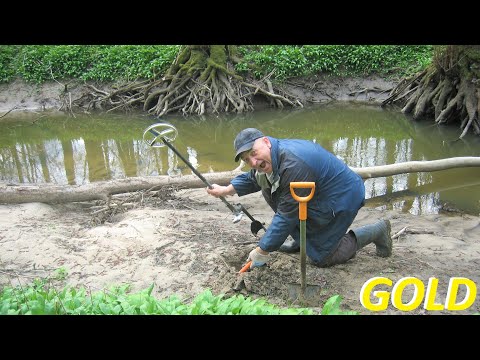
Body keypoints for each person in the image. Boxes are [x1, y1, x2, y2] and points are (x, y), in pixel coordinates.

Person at [206, 128, 392, 269]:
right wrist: (226, 189)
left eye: (253, 153)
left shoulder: (293, 165)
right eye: (247, 160)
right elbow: (254, 176)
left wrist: (262, 250)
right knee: (269, 187)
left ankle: (377, 230)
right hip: (320, 192)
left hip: (342, 197)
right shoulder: (273, 155)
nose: (253, 162)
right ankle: (302, 240)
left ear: (265, 142)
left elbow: (287, 214)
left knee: (322, 257)